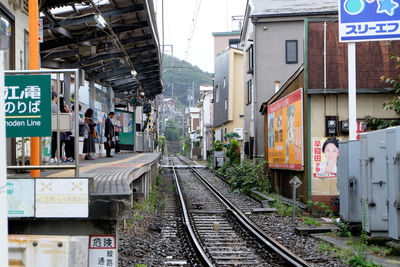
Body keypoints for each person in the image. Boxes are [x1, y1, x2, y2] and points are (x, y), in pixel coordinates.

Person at [50, 92, 58, 164]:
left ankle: (51, 156)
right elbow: (60, 115)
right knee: (54, 142)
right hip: (54, 127)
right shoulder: (54, 105)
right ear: (54, 97)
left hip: (48, 127)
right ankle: (52, 156)